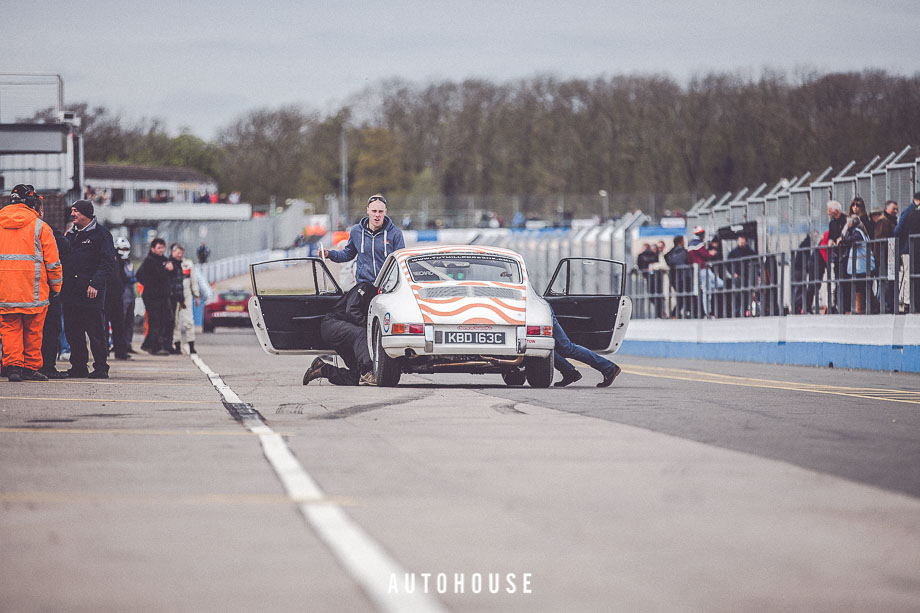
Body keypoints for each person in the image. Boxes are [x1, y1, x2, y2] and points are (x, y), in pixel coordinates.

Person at [0, 185, 63, 382]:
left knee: (10, 330)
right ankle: (29, 368)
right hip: (34, 293)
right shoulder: (40, 227)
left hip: (5, 292)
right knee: (33, 331)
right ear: (31, 202)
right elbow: (53, 263)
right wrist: (56, 287)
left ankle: (14, 368)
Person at [61, 199, 115, 378]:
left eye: (76, 211)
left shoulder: (101, 234)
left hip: (91, 293)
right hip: (71, 293)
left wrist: (95, 283)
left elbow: (107, 263)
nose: (72, 214)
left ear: (86, 213)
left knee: (96, 333)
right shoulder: (70, 234)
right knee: (73, 331)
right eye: (72, 210)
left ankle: (100, 368)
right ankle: (78, 366)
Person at [303, 281, 377, 386]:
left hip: (346, 333)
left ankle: (322, 369)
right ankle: (367, 372)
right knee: (361, 333)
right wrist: (369, 326)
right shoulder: (366, 287)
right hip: (332, 324)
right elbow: (351, 310)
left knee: (356, 377)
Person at [318, 194, 405, 283]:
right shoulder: (356, 231)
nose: (377, 215)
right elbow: (347, 254)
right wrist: (328, 254)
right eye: (374, 211)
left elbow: (401, 261)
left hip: (388, 286)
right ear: (368, 210)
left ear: (385, 212)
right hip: (364, 285)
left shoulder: (395, 233)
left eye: (380, 211)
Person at [39, 207, 71, 379]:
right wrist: (57, 288)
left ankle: (14, 365)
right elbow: (63, 251)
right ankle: (46, 367)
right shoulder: (44, 229)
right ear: (40, 211)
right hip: (43, 290)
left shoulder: (4, 226)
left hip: (9, 289)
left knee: (14, 329)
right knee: (50, 329)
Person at [551, 311, 621, 388]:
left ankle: (608, 368)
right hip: (540, 309)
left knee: (567, 348)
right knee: (546, 348)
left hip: (542, 310)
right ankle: (569, 372)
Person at [136, 238, 175, 355]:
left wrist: (170, 270)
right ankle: (154, 347)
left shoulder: (164, 260)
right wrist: (151, 285)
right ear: (152, 249)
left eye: (163, 247)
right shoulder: (150, 261)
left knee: (166, 321)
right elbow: (140, 275)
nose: (161, 250)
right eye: (159, 248)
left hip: (163, 296)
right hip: (152, 297)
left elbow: (170, 275)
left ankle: (152, 345)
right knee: (155, 321)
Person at [839, 214, 875, 314]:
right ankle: (866, 308)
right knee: (863, 288)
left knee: (861, 288)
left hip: (862, 266)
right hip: (863, 266)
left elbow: (848, 239)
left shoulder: (857, 232)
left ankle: (867, 308)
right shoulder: (861, 231)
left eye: (847, 223)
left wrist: (843, 233)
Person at [169, 243, 201, 354]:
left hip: (186, 295)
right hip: (174, 296)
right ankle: (176, 344)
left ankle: (191, 344)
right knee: (175, 322)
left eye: (181, 252)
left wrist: (196, 295)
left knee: (189, 321)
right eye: (177, 252)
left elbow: (194, 280)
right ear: (172, 252)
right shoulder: (170, 264)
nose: (179, 254)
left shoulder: (188, 264)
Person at [103, 237, 130, 360]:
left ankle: (121, 351)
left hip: (117, 296)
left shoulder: (119, 260)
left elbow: (122, 277)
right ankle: (104, 351)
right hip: (106, 296)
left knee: (119, 325)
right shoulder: (106, 258)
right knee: (103, 326)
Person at [894, 192, 920, 312]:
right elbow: (898, 230)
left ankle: (908, 302)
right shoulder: (910, 212)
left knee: (909, 274)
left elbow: (898, 230)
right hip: (908, 249)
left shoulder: (909, 211)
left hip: (909, 248)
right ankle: (906, 302)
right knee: (908, 273)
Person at [873, 200, 899, 313]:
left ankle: (886, 305)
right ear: (887, 208)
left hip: (889, 256)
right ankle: (882, 306)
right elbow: (880, 240)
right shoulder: (883, 221)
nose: (896, 211)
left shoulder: (890, 220)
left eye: (896, 209)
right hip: (884, 258)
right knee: (884, 283)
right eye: (893, 209)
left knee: (887, 282)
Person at [114, 237, 138, 352]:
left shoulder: (129, 262)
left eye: (126, 249)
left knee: (129, 320)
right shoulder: (117, 262)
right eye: (122, 248)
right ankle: (118, 344)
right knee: (120, 321)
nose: (124, 251)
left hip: (131, 293)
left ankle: (127, 344)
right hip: (122, 294)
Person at [726, 234, 756, 317]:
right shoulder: (733, 252)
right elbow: (728, 264)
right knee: (737, 296)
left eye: (743, 240)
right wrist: (733, 273)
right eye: (740, 240)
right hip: (738, 277)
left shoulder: (750, 252)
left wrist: (756, 275)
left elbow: (756, 263)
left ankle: (744, 312)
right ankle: (737, 313)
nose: (742, 242)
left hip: (747, 277)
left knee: (746, 295)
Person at [664, 235, 691, 318]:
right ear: (681, 242)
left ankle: (676, 314)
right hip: (684, 277)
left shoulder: (670, 253)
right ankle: (676, 314)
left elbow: (666, 257)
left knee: (681, 296)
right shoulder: (684, 252)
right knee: (686, 296)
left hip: (674, 278)